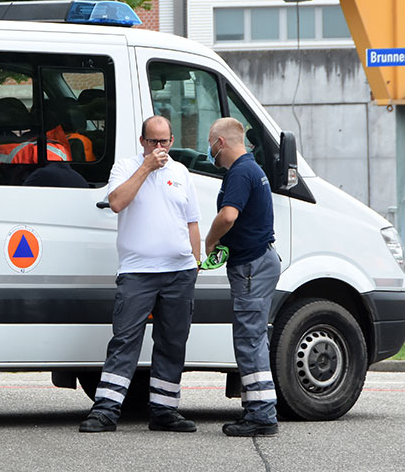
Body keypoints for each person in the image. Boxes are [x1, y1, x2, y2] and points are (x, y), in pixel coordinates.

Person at [78, 116, 201, 433]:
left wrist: (195, 264)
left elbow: (192, 223)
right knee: (125, 339)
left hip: (179, 272)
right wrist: (146, 168)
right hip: (137, 271)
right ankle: (106, 409)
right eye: (153, 141)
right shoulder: (124, 168)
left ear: (172, 141)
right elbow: (116, 202)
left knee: (172, 342)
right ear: (142, 141)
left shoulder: (181, 173)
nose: (159, 148)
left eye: (164, 142)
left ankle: (164, 410)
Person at [203, 117, 280, 437]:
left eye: (211, 147)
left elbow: (228, 215)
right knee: (254, 337)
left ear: (221, 143)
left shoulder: (240, 172)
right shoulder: (253, 170)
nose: (210, 154)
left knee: (249, 340)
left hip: (250, 267)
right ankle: (258, 408)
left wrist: (210, 241)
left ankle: (261, 415)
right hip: (260, 261)